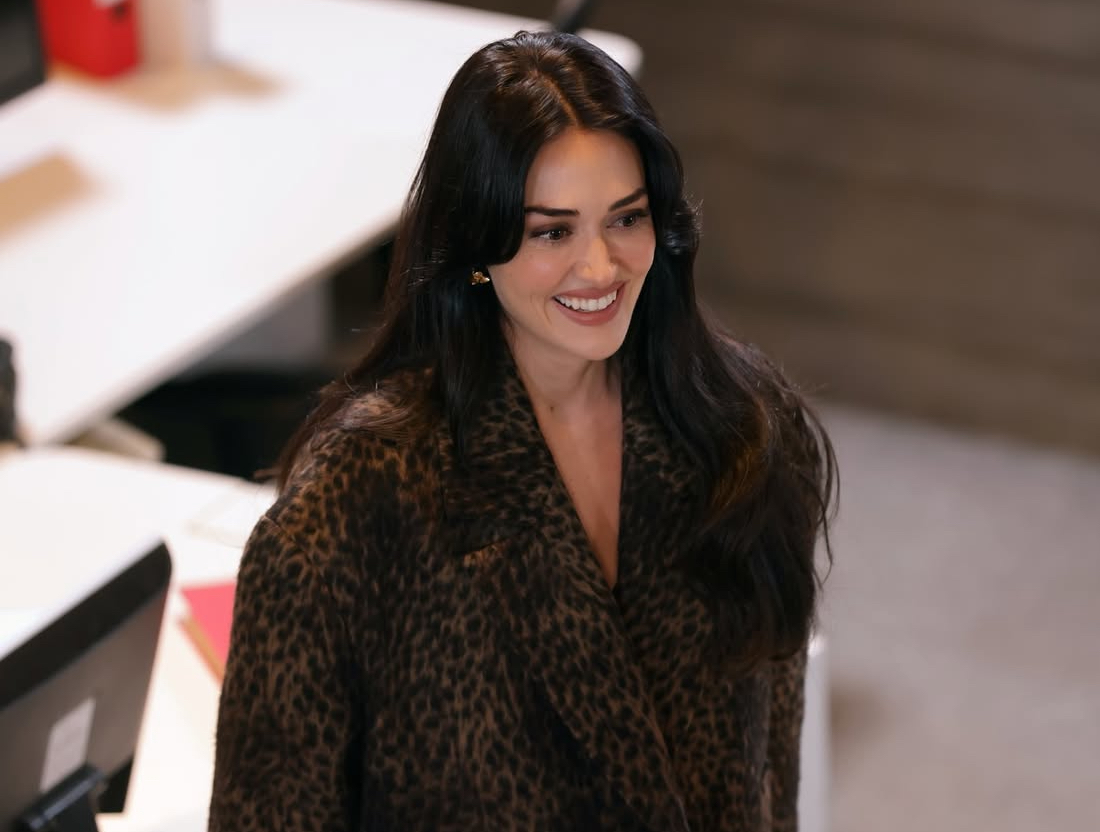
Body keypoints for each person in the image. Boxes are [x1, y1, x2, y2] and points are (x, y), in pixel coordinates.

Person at [209, 29, 835, 832]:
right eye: (552, 231)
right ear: (478, 246)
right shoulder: (350, 514)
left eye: (626, 218)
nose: (600, 268)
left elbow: (769, 785)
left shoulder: (742, 437)